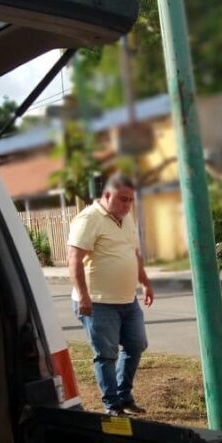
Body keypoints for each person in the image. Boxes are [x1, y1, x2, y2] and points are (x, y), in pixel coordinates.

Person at [67, 173, 154, 417]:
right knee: (106, 355)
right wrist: (83, 296)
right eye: (122, 200)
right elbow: (73, 259)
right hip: (98, 303)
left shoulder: (125, 219)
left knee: (136, 345)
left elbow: (134, 254)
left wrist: (145, 283)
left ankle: (125, 396)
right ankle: (112, 404)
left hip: (128, 300)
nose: (127, 206)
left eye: (130, 201)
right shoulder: (89, 219)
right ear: (106, 195)